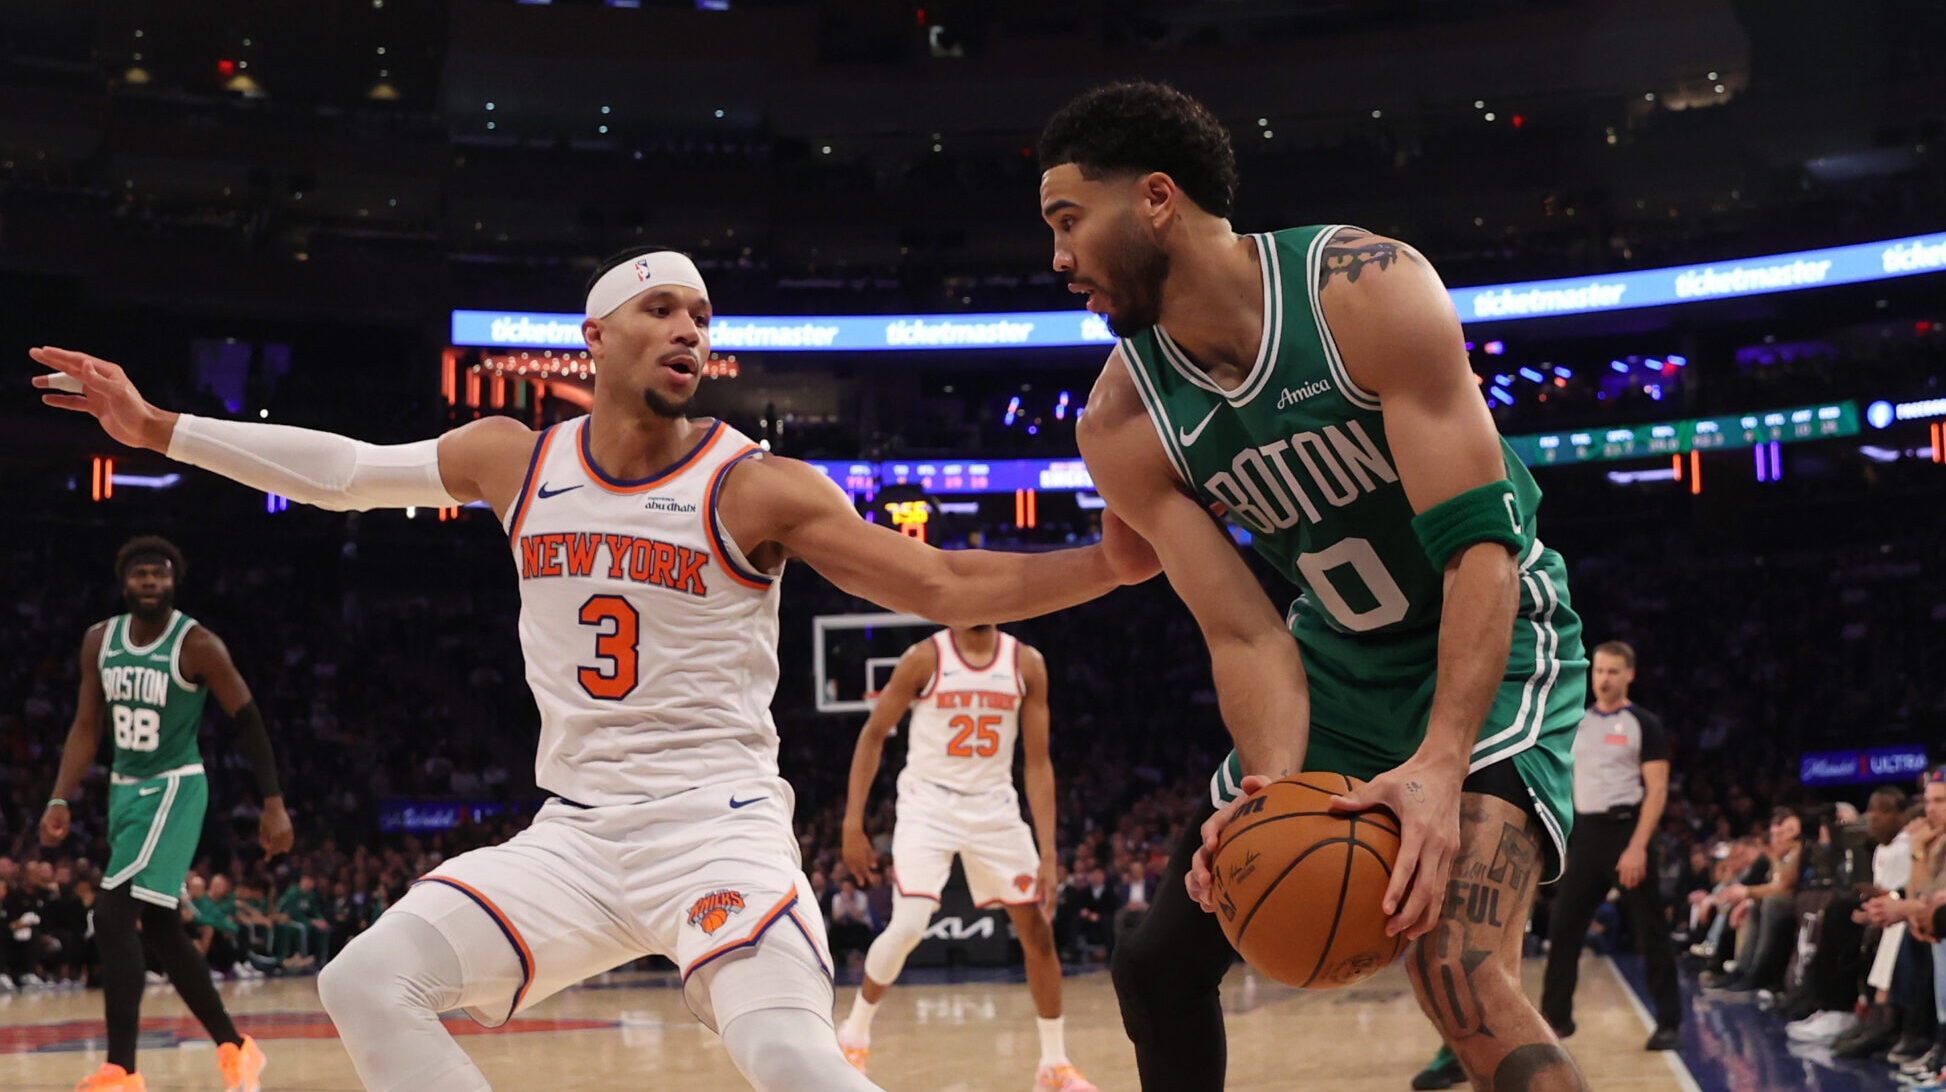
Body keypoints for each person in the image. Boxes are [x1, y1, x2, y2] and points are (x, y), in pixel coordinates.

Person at [33, 247, 1153, 1092]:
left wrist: (1105, 561)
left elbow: (945, 587)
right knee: (363, 981)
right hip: (573, 835)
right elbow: (344, 473)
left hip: (715, 826)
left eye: (701, 317)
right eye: (660, 308)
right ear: (596, 337)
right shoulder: (514, 459)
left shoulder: (753, 483)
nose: (687, 328)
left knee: (792, 1062)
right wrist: (157, 426)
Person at [1036, 81, 1590, 1091]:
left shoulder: (1362, 289)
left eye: (1068, 221)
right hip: (1335, 662)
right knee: (1156, 964)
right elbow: (1246, 637)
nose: (1058, 258)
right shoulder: (1119, 421)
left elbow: (1480, 551)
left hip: (1491, 646)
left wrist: (1438, 763)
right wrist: (1273, 790)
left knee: (1453, 967)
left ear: (1155, 197)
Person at [39, 536, 292, 1092]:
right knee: (159, 927)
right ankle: (238, 1047)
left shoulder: (198, 644)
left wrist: (273, 803)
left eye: (160, 575)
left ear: (174, 582)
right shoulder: (98, 641)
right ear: (124, 581)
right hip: (125, 791)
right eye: (141, 574)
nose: (150, 582)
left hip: (175, 788)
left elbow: (247, 718)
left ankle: (123, 1070)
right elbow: (86, 725)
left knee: (109, 914)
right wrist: (61, 795)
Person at [838, 625, 1096, 1091]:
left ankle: (1054, 1065)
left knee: (1037, 930)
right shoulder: (924, 658)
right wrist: (851, 822)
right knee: (911, 923)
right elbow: (873, 734)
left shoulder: (1026, 664)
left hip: (993, 806)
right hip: (928, 803)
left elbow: (1037, 763)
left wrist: (1049, 853)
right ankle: (854, 1034)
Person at [1533, 641, 1682, 1049]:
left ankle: (1669, 1024)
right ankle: (1556, 1020)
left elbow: (1656, 791)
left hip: (1627, 832)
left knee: (1650, 933)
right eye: (1598, 671)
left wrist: (1637, 847)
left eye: (1612, 671)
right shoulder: (1576, 721)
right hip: (1585, 835)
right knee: (1563, 930)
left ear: (1629, 674)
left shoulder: (1644, 723)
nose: (1603, 678)